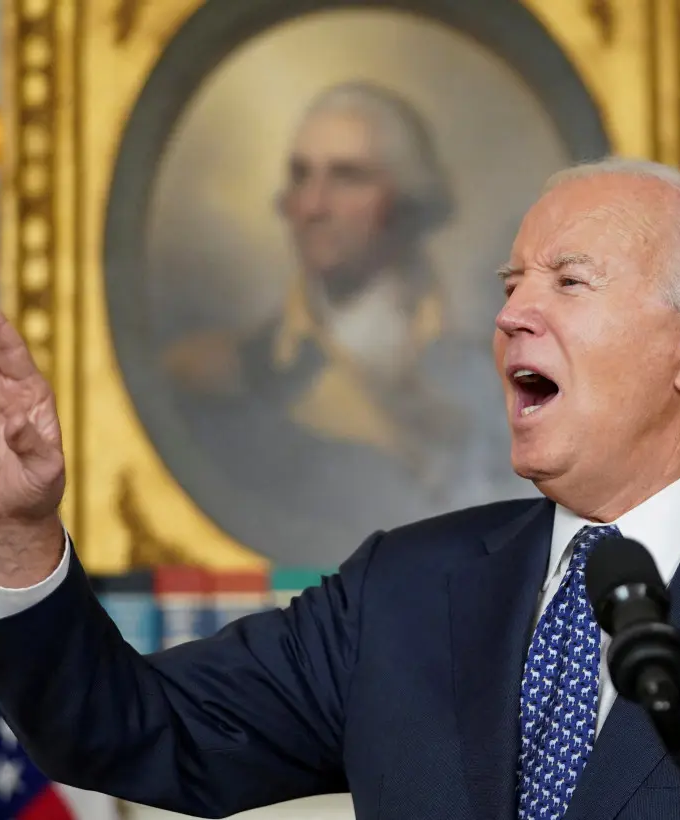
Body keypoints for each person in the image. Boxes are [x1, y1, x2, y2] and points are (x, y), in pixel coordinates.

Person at [0, 158, 680, 819]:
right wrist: (16, 529)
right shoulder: (403, 593)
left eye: (567, 280)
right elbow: (130, 729)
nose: (512, 313)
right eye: (510, 284)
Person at [157, 81, 528, 567]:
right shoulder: (221, 376)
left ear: (408, 200)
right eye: (300, 176)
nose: (312, 206)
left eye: (347, 177)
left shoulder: (489, 375)